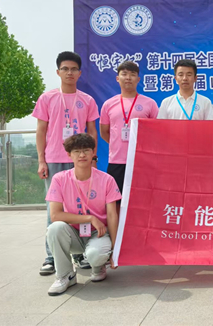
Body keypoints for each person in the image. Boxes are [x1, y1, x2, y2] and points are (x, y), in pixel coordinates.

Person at [32, 51, 100, 276]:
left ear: (80, 73)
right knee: (54, 210)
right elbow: (41, 131)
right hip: (54, 160)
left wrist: (93, 158)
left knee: (80, 207)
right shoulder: (47, 98)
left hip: (80, 161)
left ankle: (79, 254)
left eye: (73, 69)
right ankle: (51, 257)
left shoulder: (87, 100)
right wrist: (41, 160)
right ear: (58, 72)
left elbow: (92, 132)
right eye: (65, 69)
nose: (69, 73)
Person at [45, 133, 120, 296]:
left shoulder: (107, 179)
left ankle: (98, 267)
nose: (82, 155)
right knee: (55, 228)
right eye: (76, 151)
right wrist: (90, 218)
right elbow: (55, 215)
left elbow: (112, 216)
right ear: (69, 155)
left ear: (93, 152)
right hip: (73, 233)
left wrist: (115, 250)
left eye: (86, 150)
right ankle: (65, 275)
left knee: (95, 255)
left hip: (98, 233)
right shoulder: (59, 179)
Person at [100, 61, 158, 194]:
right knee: (116, 199)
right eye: (124, 74)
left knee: (142, 197)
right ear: (117, 78)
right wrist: (117, 144)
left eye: (132, 74)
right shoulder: (108, 104)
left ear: (138, 79)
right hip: (117, 161)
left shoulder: (150, 103)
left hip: (141, 161)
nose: (128, 78)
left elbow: (156, 133)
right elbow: (104, 132)